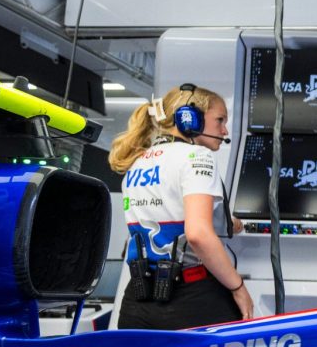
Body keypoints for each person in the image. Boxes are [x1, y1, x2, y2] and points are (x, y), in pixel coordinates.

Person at [108, 84, 253, 329]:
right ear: (190, 117)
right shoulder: (196, 157)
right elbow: (197, 234)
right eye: (219, 120)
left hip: (136, 301)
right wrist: (238, 287)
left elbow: (169, 212)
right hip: (192, 298)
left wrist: (229, 222)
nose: (224, 130)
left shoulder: (137, 161)